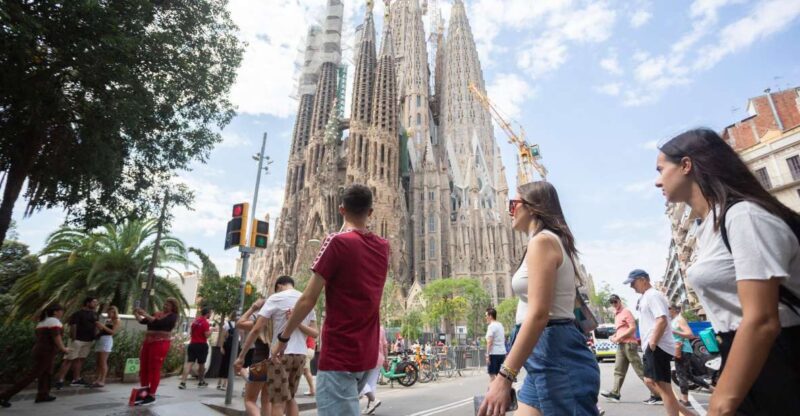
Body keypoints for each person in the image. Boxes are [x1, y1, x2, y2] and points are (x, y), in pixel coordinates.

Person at [656, 128, 800, 416]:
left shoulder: (744, 216)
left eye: (661, 169)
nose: (657, 181)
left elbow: (762, 320)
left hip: (777, 359)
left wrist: (721, 404)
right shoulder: (709, 227)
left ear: (686, 165)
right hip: (746, 355)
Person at [478, 181, 600, 416]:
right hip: (542, 356)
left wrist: (504, 376)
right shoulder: (545, 241)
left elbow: (539, 314)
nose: (509, 211)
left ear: (533, 207)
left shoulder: (543, 242)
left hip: (556, 355)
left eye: (513, 204)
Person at [271, 184, 390, 416]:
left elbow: (307, 299)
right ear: (370, 212)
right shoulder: (383, 247)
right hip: (366, 354)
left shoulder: (336, 242)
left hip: (340, 353)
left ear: (341, 209)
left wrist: (283, 337)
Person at [235, 276, 318, 416]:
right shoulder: (306, 300)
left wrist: (241, 357)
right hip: (300, 355)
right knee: (290, 399)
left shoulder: (275, 299)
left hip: (277, 356)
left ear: (279, 286)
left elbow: (254, 329)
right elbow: (315, 333)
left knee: (274, 401)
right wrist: (296, 322)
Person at [625, 269, 694, 416]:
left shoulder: (653, 295)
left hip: (657, 346)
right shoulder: (646, 297)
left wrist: (653, 343)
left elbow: (661, 319)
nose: (631, 286)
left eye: (633, 282)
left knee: (664, 389)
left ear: (643, 280)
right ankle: (689, 414)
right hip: (652, 346)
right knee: (649, 381)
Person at [0, 303, 69, 408]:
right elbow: (56, 336)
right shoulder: (54, 321)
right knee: (32, 375)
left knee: (46, 373)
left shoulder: (42, 322)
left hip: (41, 350)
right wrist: (63, 348)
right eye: (61, 311)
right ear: (55, 312)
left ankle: (43, 395)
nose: (62, 313)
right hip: (46, 352)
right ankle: (4, 395)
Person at [600, 294, 661, 404]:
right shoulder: (616, 314)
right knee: (618, 370)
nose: (614, 304)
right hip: (621, 345)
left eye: (615, 301)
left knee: (640, 370)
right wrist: (614, 336)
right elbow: (621, 330)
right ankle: (615, 394)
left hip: (629, 345)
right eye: (612, 302)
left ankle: (657, 395)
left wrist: (619, 337)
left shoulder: (626, 312)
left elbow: (632, 328)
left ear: (619, 301)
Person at [133, 297, 180, 405]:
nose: (165, 306)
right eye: (165, 303)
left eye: (168, 304)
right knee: (144, 367)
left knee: (154, 368)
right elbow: (143, 321)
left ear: (173, 307)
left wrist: (145, 314)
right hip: (148, 342)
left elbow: (160, 323)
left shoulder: (173, 316)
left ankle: (152, 394)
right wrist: (136, 314)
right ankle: (144, 391)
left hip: (160, 343)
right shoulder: (157, 313)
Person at [55, 297, 105, 388]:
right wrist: (74, 338)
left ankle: (76, 379)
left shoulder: (95, 315)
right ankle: (60, 380)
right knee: (68, 359)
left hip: (88, 341)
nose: (96, 304)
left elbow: (95, 326)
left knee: (80, 359)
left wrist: (95, 336)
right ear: (87, 303)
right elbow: (73, 325)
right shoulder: (78, 314)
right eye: (94, 302)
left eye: (96, 302)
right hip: (77, 340)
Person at [669, 304, 713, 408]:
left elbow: (690, 334)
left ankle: (685, 400)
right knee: (689, 376)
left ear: (673, 309)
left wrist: (674, 331)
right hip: (681, 350)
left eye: (667, 308)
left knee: (681, 375)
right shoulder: (672, 320)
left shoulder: (679, 319)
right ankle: (713, 389)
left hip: (683, 350)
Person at [237, 298, 272, 416]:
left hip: (259, 363)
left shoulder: (259, 322)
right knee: (266, 400)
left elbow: (239, 323)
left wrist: (253, 308)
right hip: (274, 362)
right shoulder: (277, 322)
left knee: (250, 400)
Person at [179, 307, 212, 389]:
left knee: (189, 363)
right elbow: (206, 335)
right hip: (201, 345)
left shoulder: (195, 322)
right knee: (202, 364)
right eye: (210, 313)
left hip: (192, 344)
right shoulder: (205, 323)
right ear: (207, 313)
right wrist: (211, 331)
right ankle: (201, 381)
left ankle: (183, 382)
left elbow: (191, 333)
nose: (210, 315)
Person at [91, 305, 121, 388]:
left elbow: (112, 332)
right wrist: (100, 327)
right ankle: (98, 379)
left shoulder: (117, 320)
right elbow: (104, 330)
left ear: (114, 313)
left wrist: (103, 326)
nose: (108, 314)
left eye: (110, 313)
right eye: (108, 312)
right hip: (101, 338)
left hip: (107, 340)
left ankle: (102, 380)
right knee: (98, 361)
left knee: (103, 361)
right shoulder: (108, 320)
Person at [360, 324, 388, 415]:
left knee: (358, 381)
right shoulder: (381, 329)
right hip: (379, 359)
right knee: (372, 384)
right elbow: (385, 345)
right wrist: (386, 359)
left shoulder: (364, 326)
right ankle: (371, 408)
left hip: (366, 358)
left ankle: (373, 400)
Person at [484, 307, 506, 382]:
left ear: (490, 316)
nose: (485, 317)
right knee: (500, 375)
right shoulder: (500, 325)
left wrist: (487, 355)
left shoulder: (491, 326)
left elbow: (489, 341)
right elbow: (503, 339)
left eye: (486, 315)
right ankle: (501, 388)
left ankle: (493, 389)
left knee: (492, 375)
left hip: (494, 354)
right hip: (502, 353)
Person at [217, 313, 238, 391]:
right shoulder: (238, 324)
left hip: (227, 346)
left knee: (224, 363)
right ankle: (224, 384)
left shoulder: (227, 324)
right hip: (233, 346)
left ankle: (220, 383)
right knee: (229, 364)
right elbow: (224, 335)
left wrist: (221, 346)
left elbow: (223, 336)